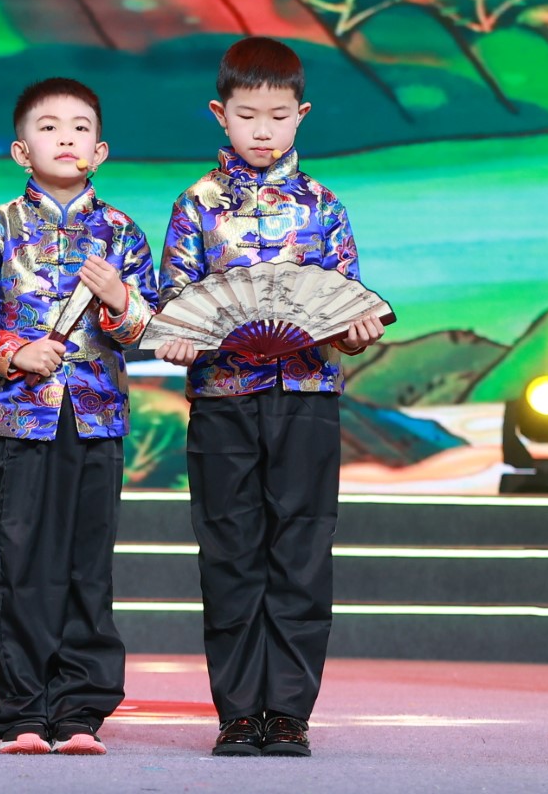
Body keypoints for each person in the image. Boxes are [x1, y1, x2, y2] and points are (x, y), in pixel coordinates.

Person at [154, 37, 384, 757]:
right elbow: (174, 303)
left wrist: (356, 332)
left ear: (301, 115)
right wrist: (179, 336)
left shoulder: (325, 207)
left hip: (307, 396)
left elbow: (346, 304)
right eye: (247, 115)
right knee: (229, 552)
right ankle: (236, 711)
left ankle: (288, 712)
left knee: (302, 551)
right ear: (220, 114)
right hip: (222, 399)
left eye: (278, 116)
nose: (262, 130)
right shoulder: (194, 207)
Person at [0, 78, 158, 755]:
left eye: (79, 128)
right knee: (17, 564)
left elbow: (148, 328)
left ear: (100, 150)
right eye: (48, 127)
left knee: (87, 567)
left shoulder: (122, 233)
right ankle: (22, 712)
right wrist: (13, 352)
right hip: (16, 420)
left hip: (96, 420)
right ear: (20, 150)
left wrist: (119, 299)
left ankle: (80, 712)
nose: (65, 138)